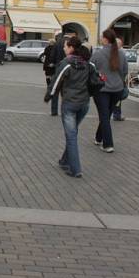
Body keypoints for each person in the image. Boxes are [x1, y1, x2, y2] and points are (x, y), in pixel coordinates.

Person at [45, 36, 92, 178]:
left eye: (66, 46)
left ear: (71, 48)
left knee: (71, 136)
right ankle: (64, 161)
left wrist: (49, 96)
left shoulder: (66, 63)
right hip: (84, 104)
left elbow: (56, 81)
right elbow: (95, 79)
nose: (64, 48)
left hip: (70, 104)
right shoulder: (87, 63)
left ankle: (75, 169)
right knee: (72, 133)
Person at [90, 29, 127, 153]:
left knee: (104, 116)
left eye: (102, 36)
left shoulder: (98, 54)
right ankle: (98, 137)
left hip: (102, 89)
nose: (101, 38)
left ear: (105, 39)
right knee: (106, 115)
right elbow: (125, 71)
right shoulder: (121, 54)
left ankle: (108, 144)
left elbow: (91, 70)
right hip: (117, 89)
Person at [46, 33, 67, 116]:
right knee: (64, 92)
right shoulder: (70, 42)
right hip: (67, 69)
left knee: (55, 90)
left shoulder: (57, 43)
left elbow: (52, 56)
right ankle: (64, 111)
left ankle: (54, 111)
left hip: (57, 68)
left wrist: (52, 63)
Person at [112, 37, 126, 122]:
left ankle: (109, 114)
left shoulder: (107, 53)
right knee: (117, 99)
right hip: (118, 81)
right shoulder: (122, 54)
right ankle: (116, 114)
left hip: (108, 81)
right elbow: (125, 69)